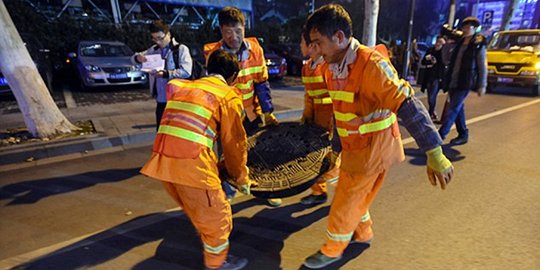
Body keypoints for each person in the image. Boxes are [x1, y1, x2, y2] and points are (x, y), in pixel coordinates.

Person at [302, 4, 454, 269]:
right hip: (355, 149)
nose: (315, 50)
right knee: (355, 196)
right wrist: (336, 149)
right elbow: (341, 112)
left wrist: (434, 152)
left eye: (318, 42)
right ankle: (363, 233)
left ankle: (332, 249)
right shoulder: (330, 68)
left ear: (339, 37)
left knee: (345, 199)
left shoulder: (371, 65)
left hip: (372, 150)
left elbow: (408, 104)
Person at [140, 50, 252, 270]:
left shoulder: (185, 88)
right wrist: (241, 177)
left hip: (164, 165)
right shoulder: (227, 96)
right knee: (217, 219)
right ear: (233, 78)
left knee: (198, 212)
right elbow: (234, 145)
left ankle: (209, 245)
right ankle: (217, 263)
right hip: (192, 168)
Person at [204, 6, 281, 207]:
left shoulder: (255, 49)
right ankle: (228, 194)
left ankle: (264, 190)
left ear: (244, 27)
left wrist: (268, 111)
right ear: (221, 31)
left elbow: (261, 83)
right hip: (227, 114)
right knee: (227, 155)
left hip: (250, 112)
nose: (234, 37)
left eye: (238, 31)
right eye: (228, 32)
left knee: (258, 151)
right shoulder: (214, 54)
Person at [299, 29, 340, 205]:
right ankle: (318, 192)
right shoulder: (307, 67)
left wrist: (331, 126)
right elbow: (309, 95)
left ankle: (343, 197)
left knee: (329, 161)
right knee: (315, 158)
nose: (300, 45)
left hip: (328, 121)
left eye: (302, 42)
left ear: (313, 46)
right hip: (314, 122)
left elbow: (336, 98)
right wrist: (306, 117)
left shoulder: (328, 67)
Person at [133, 20, 193, 130]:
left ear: (168, 34)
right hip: (161, 100)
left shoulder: (180, 49)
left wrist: (166, 74)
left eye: (160, 38)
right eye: (154, 39)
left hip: (177, 100)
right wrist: (138, 58)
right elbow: (135, 58)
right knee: (161, 133)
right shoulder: (153, 50)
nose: (158, 42)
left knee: (176, 134)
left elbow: (186, 71)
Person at [438, 16, 487, 145]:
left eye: (468, 27)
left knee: (453, 109)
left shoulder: (478, 45)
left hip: (465, 81)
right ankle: (463, 133)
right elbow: (446, 59)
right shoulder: (459, 42)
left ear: (475, 28)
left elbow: (482, 66)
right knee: (458, 108)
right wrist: (445, 46)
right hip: (453, 79)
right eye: (464, 26)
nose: (465, 29)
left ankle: (438, 138)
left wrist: (482, 85)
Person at [420, 36, 447, 121]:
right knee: (429, 96)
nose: (438, 44)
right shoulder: (430, 50)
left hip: (437, 78)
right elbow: (423, 61)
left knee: (432, 96)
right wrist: (429, 60)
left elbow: (444, 64)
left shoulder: (443, 53)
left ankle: (430, 113)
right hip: (429, 76)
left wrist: (437, 62)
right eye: (438, 42)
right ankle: (433, 112)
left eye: (441, 43)